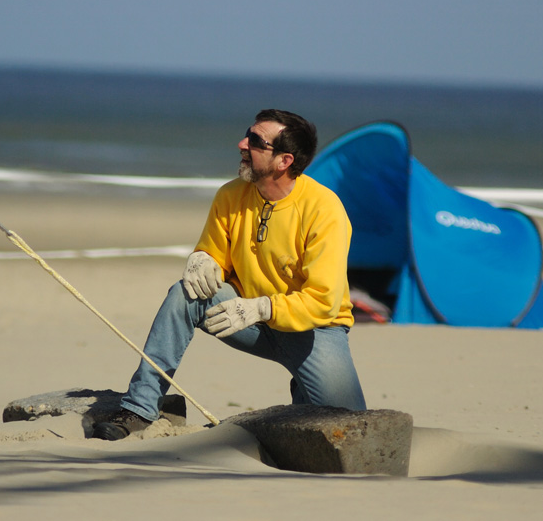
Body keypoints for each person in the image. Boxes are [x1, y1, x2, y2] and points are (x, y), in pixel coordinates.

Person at [93, 109, 366, 440]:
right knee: (184, 294)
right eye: (246, 134)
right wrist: (201, 258)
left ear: (283, 161)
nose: (241, 144)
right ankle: (138, 409)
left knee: (354, 429)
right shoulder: (229, 195)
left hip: (314, 332)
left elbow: (322, 301)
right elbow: (214, 260)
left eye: (254, 141)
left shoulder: (325, 210)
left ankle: (305, 389)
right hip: (246, 319)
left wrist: (263, 308)